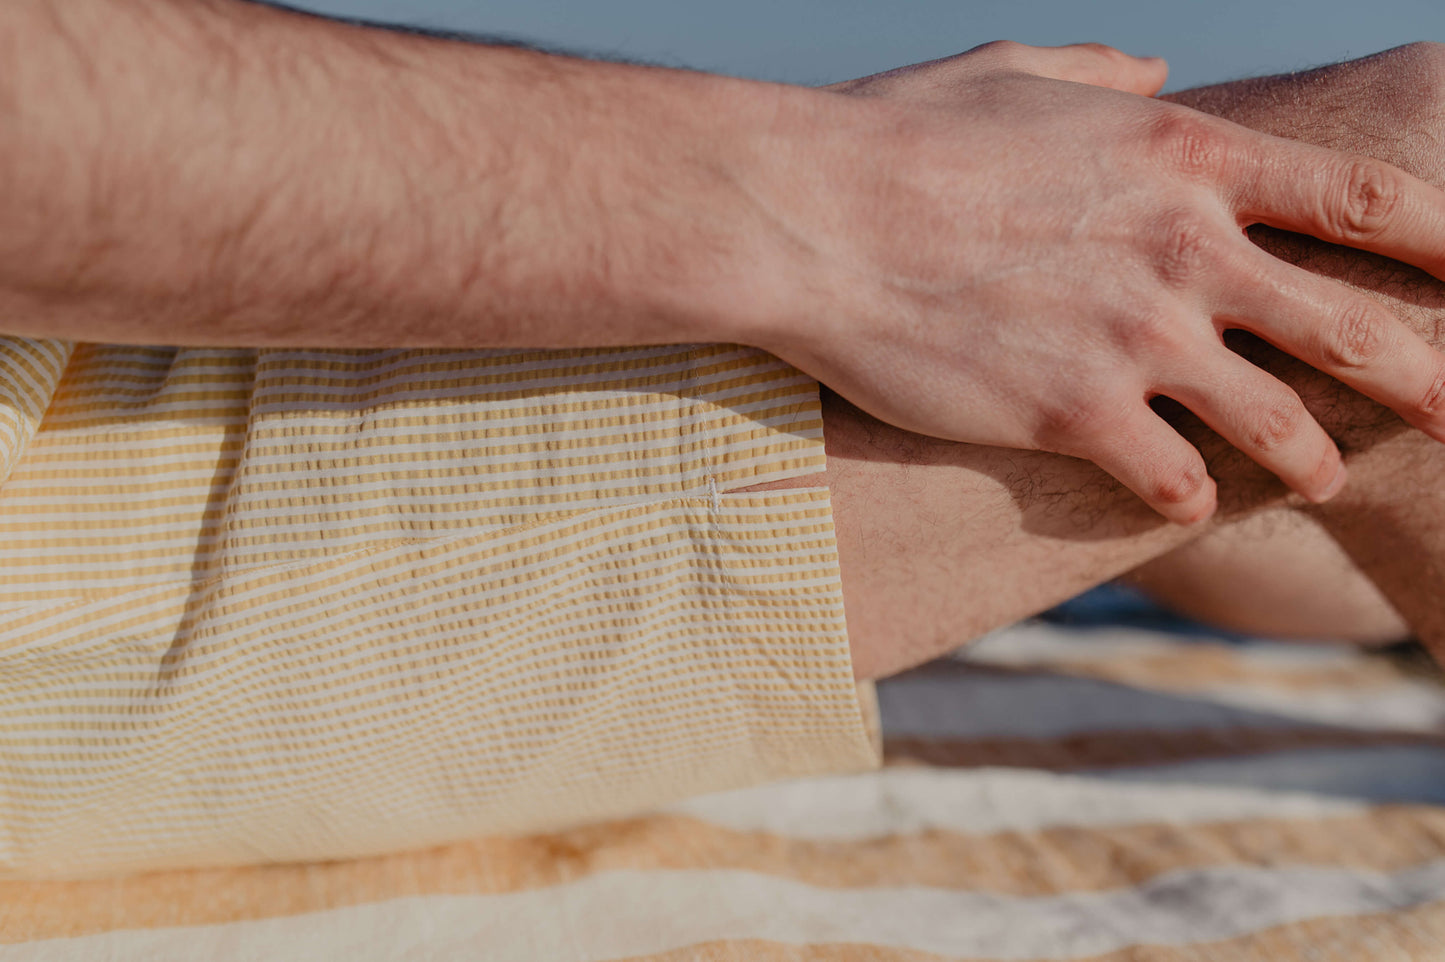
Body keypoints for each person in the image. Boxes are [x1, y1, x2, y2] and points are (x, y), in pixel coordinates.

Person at [0, 0, 1442, 877]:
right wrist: (847, 197)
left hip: (107, 330)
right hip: (54, 511)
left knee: (1193, 378)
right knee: (1402, 167)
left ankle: (1299, 544)